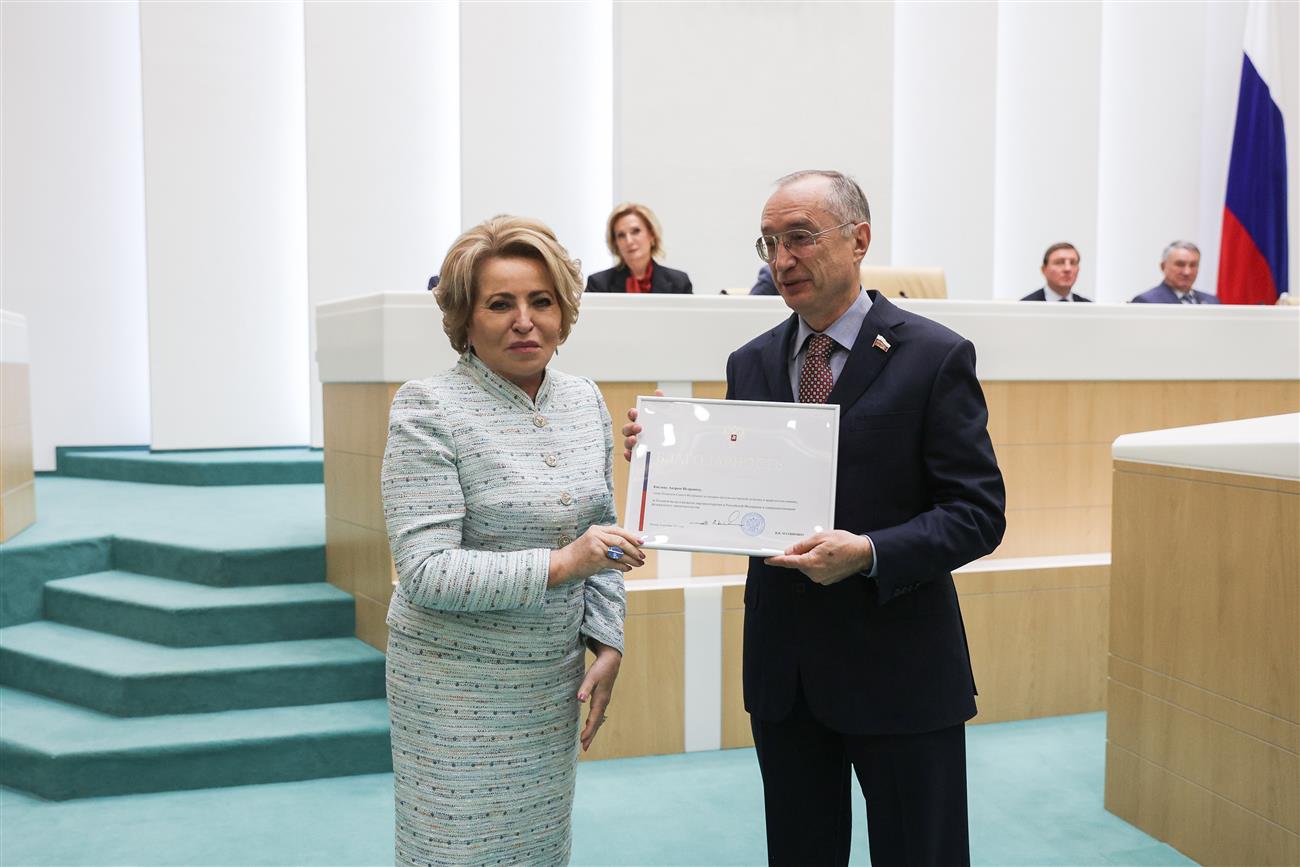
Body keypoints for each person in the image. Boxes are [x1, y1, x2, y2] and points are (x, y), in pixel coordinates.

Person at [625, 171, 1005, 866]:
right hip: (787, 677)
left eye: (799, 237)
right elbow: (747, 485)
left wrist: (869, 551)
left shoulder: (934, 355)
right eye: (769, 243)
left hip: (900, 670)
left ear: (860, 239)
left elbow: (978, 512)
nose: (782, 259)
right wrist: (669, 460)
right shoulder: (751, 362)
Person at [382, 215, 646, 866]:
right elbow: (426, 571)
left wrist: (608, 640)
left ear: (564, 312)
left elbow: (603, 537)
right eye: (500, 304)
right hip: (453, 688)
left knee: (538, 849)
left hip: (549, 681)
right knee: (455, 849)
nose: (524, 321)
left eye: (541, 301)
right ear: (464, 319)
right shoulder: (426, 406)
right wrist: (563, 562)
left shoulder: (584, 400)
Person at [585, 202, 693, 294]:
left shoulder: (679, 282)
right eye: (621, 235)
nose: (629, 241)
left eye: (635, 231)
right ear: (615, 243)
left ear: (651, 235)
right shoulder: (598, 284)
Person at [1131, 241, 1220, 304]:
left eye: (1193, 265)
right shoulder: (1146, 301)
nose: (1187, 272)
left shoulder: (1212, 301)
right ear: (1163, 266)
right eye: (1180, 264)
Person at [1021, 242, 1091, 301]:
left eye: (1073, 263)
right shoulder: (1025, 306)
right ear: (1044, 270)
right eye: (1059, 262)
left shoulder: (1089, 307)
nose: (1067, 269)